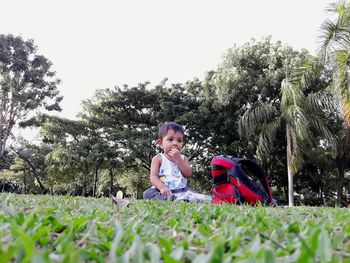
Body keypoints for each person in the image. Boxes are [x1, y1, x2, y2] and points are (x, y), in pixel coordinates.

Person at [143, 122, 212, 202]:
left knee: (192, 192)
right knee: (148, 193)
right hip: (163, 191)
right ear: (161, 143)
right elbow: (153, 177)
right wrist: (162, 187)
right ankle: (172, 199)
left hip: (182, 190)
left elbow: (188, 174)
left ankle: (192, 198)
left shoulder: (183, 158)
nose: (175, 143)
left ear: (182, 145)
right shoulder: (158, 158)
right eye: (170, 139)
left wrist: (178, 160)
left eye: (179, 140)